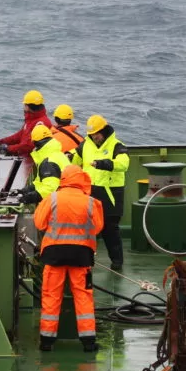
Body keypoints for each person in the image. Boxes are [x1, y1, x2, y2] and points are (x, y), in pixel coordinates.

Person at [34, 164, 104, 353]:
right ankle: (88, 342)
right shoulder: (91, 202)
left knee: (51, 296)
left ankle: (47, 342)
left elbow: (39, 223)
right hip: (81, 256)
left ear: (63, 179)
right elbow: (97, 227)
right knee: (83, 297)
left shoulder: (52, 199)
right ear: (81, 180)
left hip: (54, 254)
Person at [71, 114, 130, 271]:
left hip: (111, 194)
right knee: (87, 229)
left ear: (104, 130)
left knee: (110, 229)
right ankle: (85, 261)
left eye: (96, 133)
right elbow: (73, 162)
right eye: (91, 134)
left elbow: (124, 164)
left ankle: (117, 261)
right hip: (89, 193)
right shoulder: (84, 146)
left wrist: (105, 164)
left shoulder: (117, 146)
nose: (94, 137)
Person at [0, 90, 52, 157]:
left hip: (34, 159)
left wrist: (8, 148)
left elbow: (29, 146)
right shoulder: (32, 120)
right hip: (27, 156)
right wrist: (0, 142)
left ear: (27, 106)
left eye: (24, 104)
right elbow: (19, 135)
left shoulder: (41, 123)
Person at [20, 124, 71, 204]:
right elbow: (42, 182)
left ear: (36, 143)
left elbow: (50, 189)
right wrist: (28, 189)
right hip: (67, 196)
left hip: (61, 203)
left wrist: (30, 197)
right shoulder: (57, 154)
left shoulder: (48, 162)